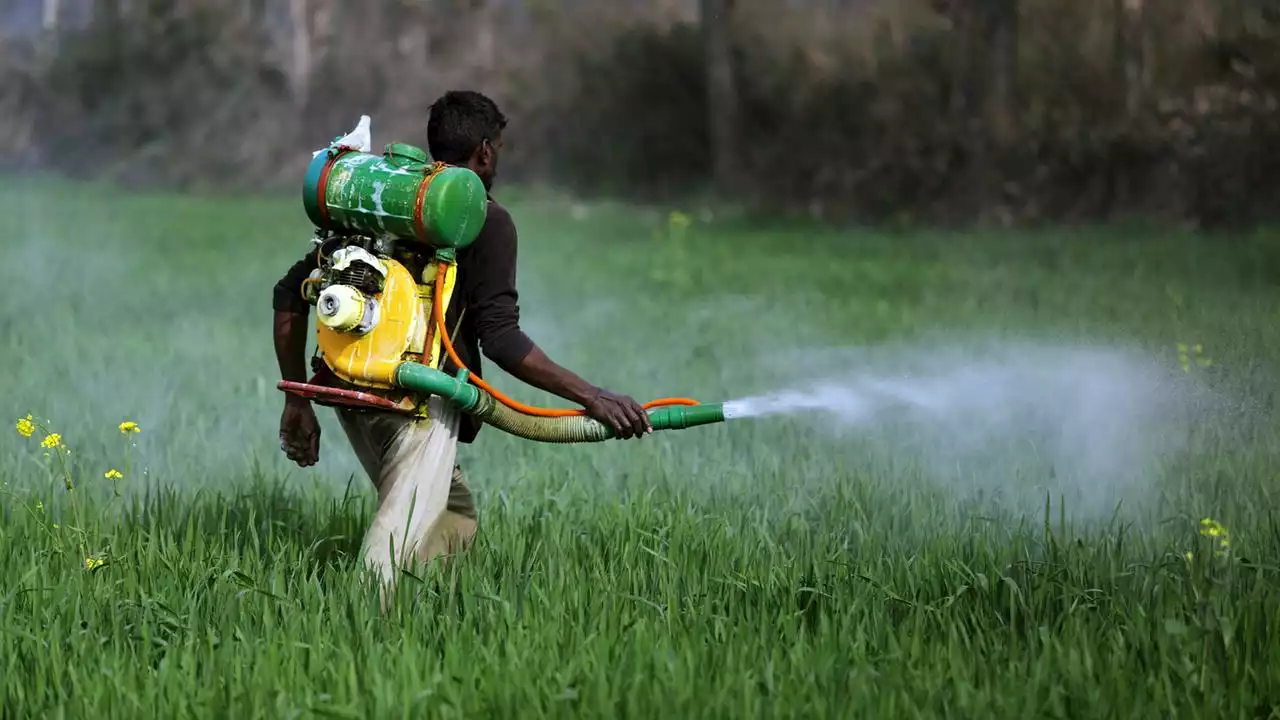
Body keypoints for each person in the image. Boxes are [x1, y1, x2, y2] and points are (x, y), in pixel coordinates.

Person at [271, 90, 652, 573]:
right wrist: (591, 395)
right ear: (486, 151)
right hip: (420, 401)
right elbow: (501, 339)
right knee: (391, 554)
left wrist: (296, 398)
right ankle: (350, 630)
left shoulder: (380, 203)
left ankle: (425, 632)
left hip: (350, 386)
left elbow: (291, 293)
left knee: (454, 520)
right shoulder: (484, 220)